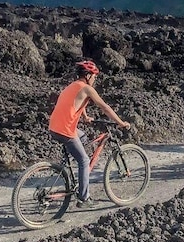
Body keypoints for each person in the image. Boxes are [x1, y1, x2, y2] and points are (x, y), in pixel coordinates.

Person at [48, 60, 130, 209]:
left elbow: (76, 102)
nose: (95, 79)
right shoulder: (87, 88)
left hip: (54, 126)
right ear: (87, 75)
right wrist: (120, 122)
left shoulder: (73, 86)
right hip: (65, 129)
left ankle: (68, 163)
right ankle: (84, 199)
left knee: (83, 137)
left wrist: (85, 117)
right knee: (84, 161)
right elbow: (104, 107)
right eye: (94, 76)